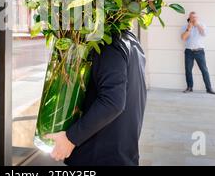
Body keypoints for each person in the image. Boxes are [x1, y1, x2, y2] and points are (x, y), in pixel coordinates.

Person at [45, 31, 147, 166]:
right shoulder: (130, 39)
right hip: (121, 153)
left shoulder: (107, 43)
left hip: (99, 156)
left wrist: (71, 138)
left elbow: (112, 102)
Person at [181, 12, 215, 94]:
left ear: (197, 18)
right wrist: (188, 29)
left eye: (195, 17)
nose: (194, 19)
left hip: (199, 51)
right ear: (189, 18)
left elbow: (204, 33)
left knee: (204, 70)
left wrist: (197, 25)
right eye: (192, 17)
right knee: (188, 70)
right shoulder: (185, 26)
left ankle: (209, 88)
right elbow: (183, 38)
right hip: (188, 51)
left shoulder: (202, 25)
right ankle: (189, 87)